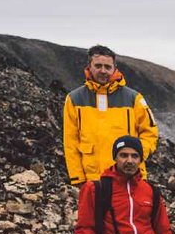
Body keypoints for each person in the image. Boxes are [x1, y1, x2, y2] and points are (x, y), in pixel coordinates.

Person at [64, 45, 158, 186]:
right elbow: (71, 142)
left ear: (115, 68)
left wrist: (133, 159)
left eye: (107, 67)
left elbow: (150, 133)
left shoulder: (134, 99)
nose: (103, 71)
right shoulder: (74, 99)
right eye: (98, 66)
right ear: (89, 67)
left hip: (128, 178)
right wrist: (77, 177)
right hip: (92, 180)